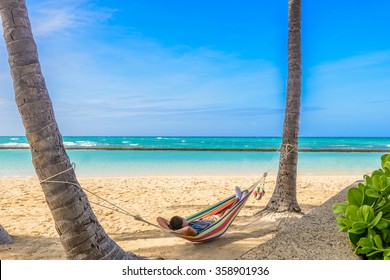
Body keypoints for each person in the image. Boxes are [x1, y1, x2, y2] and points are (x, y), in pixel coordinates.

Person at [157, 186, 243, 236]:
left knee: (223, 208)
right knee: (228, 211)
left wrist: (170, 230)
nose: (185, 219)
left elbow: (159, 218)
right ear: (183, 224)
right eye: (184, 219)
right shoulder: (191, 231)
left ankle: (236, 200)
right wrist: (175, 232)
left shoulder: (174, 226)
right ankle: (237, 198)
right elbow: (187, 228)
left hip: (207, 219)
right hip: (215, 223)